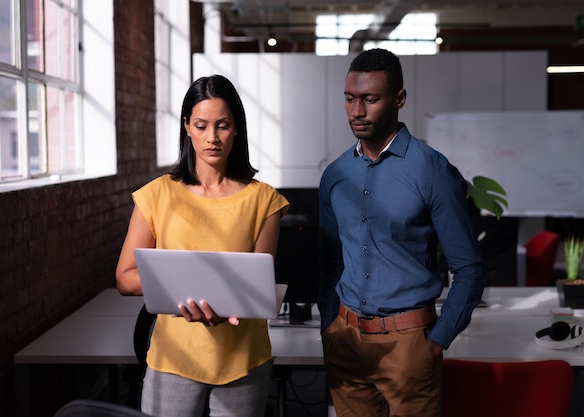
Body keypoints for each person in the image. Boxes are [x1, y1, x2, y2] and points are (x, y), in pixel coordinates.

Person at [318, 48, 487, 416]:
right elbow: (330, 260)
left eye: (370, 99)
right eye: (350, 99)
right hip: (345, 341)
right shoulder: (335, 175)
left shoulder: (432, 171)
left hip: (409, 344)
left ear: (399, 99)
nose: (357, 111)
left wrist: (435, 343)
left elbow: (469, 268)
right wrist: (329, 327)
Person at [116, 74, 289, 417]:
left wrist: (225, 308)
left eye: (222, 126)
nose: (212, 138)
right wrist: (186, 290)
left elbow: (256, 287)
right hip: (173, 359)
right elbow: (125, 277)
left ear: (237, 128)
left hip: (243, 361)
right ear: (187, 128)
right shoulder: (157, 195)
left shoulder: (264, 200)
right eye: (201, 125)